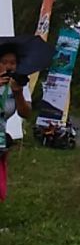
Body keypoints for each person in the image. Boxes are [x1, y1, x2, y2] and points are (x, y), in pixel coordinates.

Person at [0, 43, 34, 202]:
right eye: (4, 62)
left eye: (12, 63)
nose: (8, 66)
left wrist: (18, 93)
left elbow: (25, 113)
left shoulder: (19, 84)